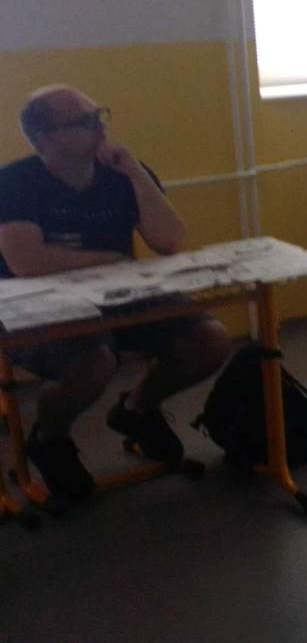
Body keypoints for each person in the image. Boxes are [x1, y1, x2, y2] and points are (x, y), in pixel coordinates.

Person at [0, 85, 231, 502]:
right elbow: (27, 261)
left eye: (99, 115)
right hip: (37, 307)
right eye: (84, 121)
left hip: (121, 295)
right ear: (44, 139)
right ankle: (49, 437)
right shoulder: (15, 182)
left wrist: (135, 173)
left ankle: (135, 409)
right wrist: (108, 259)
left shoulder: (123, 173)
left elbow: (169, 239)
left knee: (210, 340)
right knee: (95, 362)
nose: (100, 127)